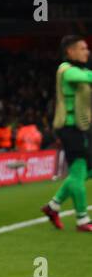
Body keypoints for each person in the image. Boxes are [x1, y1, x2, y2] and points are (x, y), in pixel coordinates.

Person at [41, 35, 92, 231]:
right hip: (69, 128)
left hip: (82, 127)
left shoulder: (81, 69)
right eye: (82, 48)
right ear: (70, 51)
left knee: (85, 170)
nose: (86, 51)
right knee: (78, 171)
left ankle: (53, 206)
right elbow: (86, 78)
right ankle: (82, 220)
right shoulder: (66, 70)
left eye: (87, 48)